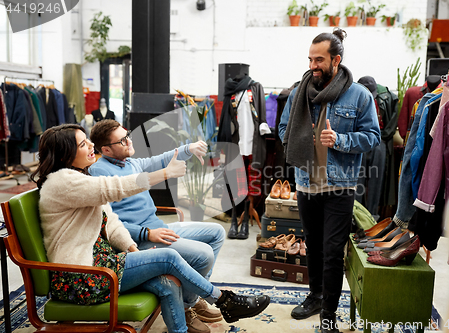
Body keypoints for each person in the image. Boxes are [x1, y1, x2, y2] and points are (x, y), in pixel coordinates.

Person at [31, 124, 270, 333]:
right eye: (83, 144)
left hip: (102, 264)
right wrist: (166, 174)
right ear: (65, 155)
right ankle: (225, 301)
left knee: (167, 283)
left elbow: (111, 222)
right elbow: (115, 188)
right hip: (82, 276)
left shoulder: (80, 178)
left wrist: (134, 251)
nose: (91, 145)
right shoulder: (62, 183)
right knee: (168, 257)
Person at [278, 29, 381, 332]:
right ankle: (314, 295)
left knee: (334, 250)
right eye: (310, 59)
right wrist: (300, 137)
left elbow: (373, 137)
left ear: (336, 60)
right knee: (313, 245)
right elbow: (283, 128)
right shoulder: (300, 92)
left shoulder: (359, 95)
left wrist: (340, 139)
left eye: (319, 59)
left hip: (340, 185)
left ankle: (328, 314)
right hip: (306, 183)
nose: (313, 65)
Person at [88, 119, 226, 332]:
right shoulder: (98, 174)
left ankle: (190, 299)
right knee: (204, 254)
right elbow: (107, 223)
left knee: (216, 232)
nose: (129, 141)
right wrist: (146, 233)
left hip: (158, 227)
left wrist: (189, 148)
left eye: (128, 135)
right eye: (122, 140)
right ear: (106, 149)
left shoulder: (131, 162)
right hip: (138, 240)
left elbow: (161, 160)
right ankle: (189, 307)